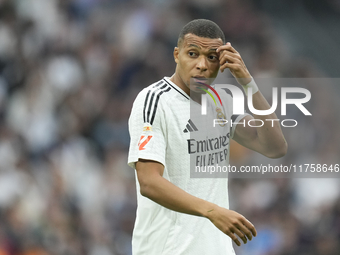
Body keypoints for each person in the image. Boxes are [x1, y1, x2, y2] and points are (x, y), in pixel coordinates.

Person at [128, 19, 287, 255]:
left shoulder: (219, 100)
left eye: (212, 57)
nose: (202, 65)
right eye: (192, 54)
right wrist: (213, 211)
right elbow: (149, 182)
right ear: (176, 54)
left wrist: (247, 82)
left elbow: (275, 147)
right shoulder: (154, 100)